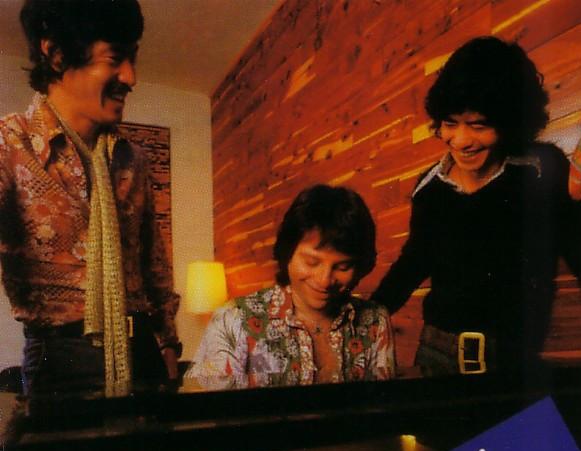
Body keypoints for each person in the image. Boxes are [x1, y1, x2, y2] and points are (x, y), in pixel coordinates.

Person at [372, 36, 581, 376]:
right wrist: (369, 316)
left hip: (515, 360)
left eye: (478, 125)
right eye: (450, 124)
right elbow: (414, 260)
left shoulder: (544, 170)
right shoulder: (428, 188)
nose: (461, 141)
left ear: (510, 122)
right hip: (435, 355)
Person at [0, 0, 181, 397]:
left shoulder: (133, 160)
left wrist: (168, 345)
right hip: (61, 365)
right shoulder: (10, 145)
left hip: (144, 355)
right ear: (56, 53)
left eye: (132, 59)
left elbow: (154, 267)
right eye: (115, 59)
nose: (130, 77)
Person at [186, 184, 395, 390]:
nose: (324, 280)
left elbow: (383, 405)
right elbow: (206, 408)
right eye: (311, 262)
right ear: (287, 254)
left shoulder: (376, 321)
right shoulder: (233, 319)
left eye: (342, 267)